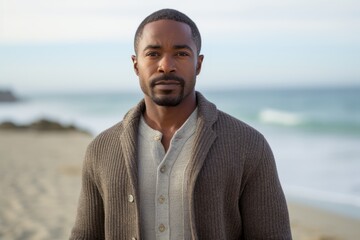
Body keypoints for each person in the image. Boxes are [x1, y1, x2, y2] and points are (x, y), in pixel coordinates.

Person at [70, 8, 292, 240]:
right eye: (153, 54)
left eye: (181, 54)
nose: (166, 66)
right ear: (136, 65)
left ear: (198, 64)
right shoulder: (102, 149)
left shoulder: (248, 145)